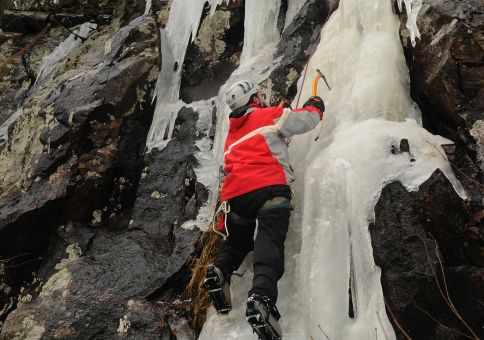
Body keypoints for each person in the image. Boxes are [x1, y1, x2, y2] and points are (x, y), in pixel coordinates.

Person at [204, 80, 325, 339]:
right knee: (268, 241)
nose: (262, 98)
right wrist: (314, 107)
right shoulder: (268, 115)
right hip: (270, 188)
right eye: (258, 95)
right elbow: (301, 121)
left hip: (237, 196)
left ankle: (220, 270)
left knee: (237, 243)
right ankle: (261, 298)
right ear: (253, 99)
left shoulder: (232, 135)